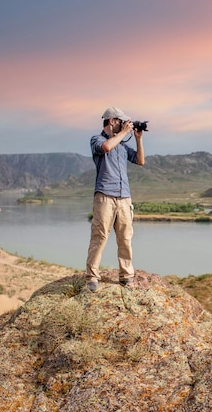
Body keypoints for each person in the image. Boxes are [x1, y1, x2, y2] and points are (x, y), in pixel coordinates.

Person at [85, 107, 145, 292]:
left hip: (124, 197)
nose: (125, 125)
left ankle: (126, 276)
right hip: (105, 196)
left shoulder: (122, 146)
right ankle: (92, 276)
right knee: (100, 236)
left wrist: (137, 139)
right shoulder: (97, 139)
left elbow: (141, 161)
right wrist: (124, 132)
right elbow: (106, 147)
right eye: (122, 122)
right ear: (112, 121)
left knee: (125, 238)